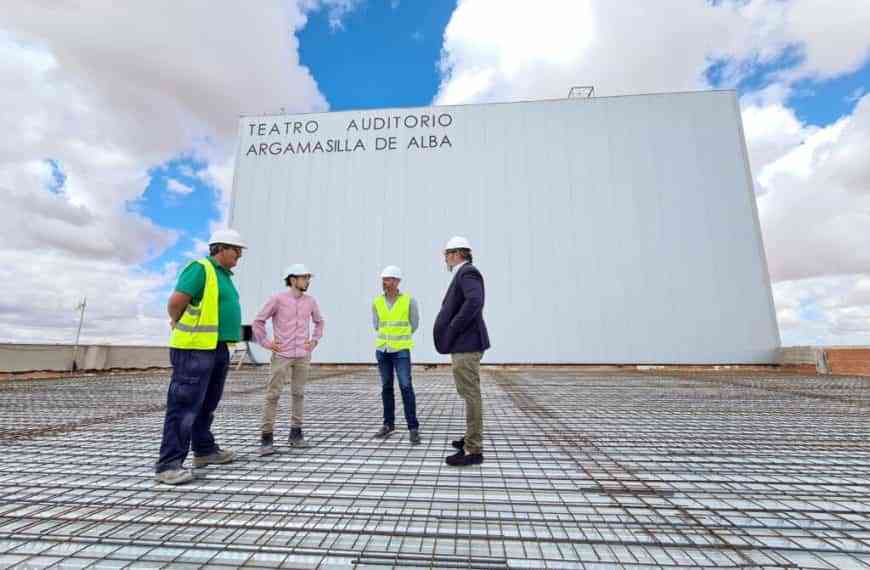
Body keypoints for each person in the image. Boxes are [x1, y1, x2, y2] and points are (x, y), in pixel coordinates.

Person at [154, 229, 246, 485]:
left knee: (206, 404)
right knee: (184, 406)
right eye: (236, 250)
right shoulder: (200, 269)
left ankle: (204, 451)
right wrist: (176, 320)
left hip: (217, 347)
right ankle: (168, 465)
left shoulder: (224, 276)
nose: (239, 255)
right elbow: (176, 302)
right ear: (221, 248)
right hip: (195, 348)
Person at [252, 264, 324, 454]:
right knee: (273, 395)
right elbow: (258, 322)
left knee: (298, 394)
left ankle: (296, 435)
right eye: (304, 277)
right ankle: (266, 439)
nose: (308, 281)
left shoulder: (310, 301)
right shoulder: (277, 300)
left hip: (302, 355)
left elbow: (319, 322)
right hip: (281, 355)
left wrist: (314, 340)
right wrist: (266, 343)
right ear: (293, 279)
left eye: (308, 277)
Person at [433, 236, 490, 466]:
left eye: (446, 254)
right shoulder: (464, 273)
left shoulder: (468, 272)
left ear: (457, 253)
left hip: (467, 344)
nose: (445, 259)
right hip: (464, 344)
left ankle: (473, 450)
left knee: (471, 394)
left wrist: (454, 326)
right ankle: (470, 438)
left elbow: (475, 301)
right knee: (469, 393)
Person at [371, 265, 421, 444]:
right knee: (386, 388)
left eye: (390, 279)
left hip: (401, 351)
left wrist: (400, 338)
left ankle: (413, 427)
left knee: (406, 387)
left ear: (397, 281)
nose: (386, 282)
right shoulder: (377, 302)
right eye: (384, 279)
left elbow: (414, 324)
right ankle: (388, 424)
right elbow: (377, 325)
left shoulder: (409, 301)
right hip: (382, 350)